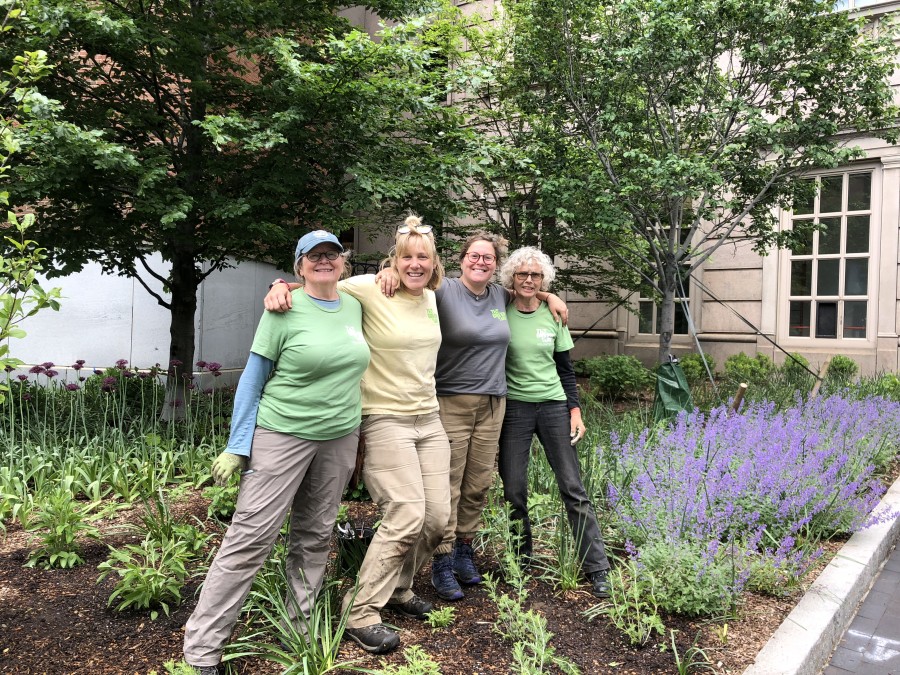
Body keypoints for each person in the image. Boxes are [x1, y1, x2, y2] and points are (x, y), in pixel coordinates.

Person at [183, 230, 371, 674]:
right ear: (299, 266)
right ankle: (202, 650)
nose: (324, 262)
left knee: (314, 536)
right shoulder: (282, 309)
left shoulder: (355, 305)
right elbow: (252, 379)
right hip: (282, 434)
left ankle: (299, 631)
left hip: (339, 437)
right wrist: (236, 446)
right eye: (314, 256)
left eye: (332, 254)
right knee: (250, 537)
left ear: (343, 262)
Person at [264, 216, 451, 654]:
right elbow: (319, 283)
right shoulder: (369, 286)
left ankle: (399, 590)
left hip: (430, 418)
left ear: (433, 262)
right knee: (405, 512)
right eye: (406, 256)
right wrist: (279, 284)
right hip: (385, 418)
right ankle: (362, 609)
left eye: (423, 256)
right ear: (394, 259)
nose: (415, 264)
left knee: (438, 519)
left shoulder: (431, 298)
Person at [372, 232, 569, 602]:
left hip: (494, 403)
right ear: (461, 259)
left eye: (488, 258)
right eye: (474, 256)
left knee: (478, 483)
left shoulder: (499, 295)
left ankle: (465, 551)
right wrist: (387, 274)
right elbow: (408, 280)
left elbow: (529, 291)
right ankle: (442, 561)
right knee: (447, 484)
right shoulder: (443, 290)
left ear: (497, 265)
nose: (481, 263)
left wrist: (549, 295)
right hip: (450, 401)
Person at [497, 246, 611, 598]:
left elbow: (566, 370)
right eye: (522, 274)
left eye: (536, 275)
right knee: (514, 489)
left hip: (554, 407)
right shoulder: (499, 310)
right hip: (515, 409)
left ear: (544, 280)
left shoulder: (554, 316)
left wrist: (575, 411)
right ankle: (521, 559)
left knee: (572, 488)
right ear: (511, 279)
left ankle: (597, 567)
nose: (529, 280)